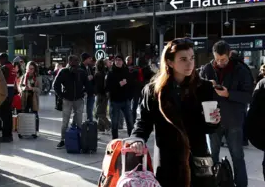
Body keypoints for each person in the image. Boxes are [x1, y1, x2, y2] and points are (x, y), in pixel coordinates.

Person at [130, 38, 221, 187]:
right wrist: (137, 139)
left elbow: (208, 128)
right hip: (167, 160)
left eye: (192, 58)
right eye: (183, 59)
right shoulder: (154, 91)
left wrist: (214, 122)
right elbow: (143, 121)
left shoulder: (203, 87)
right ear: (170, 62)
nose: (190, 63)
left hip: (198, 159)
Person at [199, 40, 253, 187]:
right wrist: (205, 88)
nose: (220, 62)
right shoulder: (206, 69)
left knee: (237, 157)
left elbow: (248, 96)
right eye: (217, 59)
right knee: (211, 158)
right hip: (211, 121)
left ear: (229, 54)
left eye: (223, 59)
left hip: (233, 121)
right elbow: (197, 94)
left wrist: (229, 94)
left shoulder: (241, 70)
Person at [53, 55, 89, 149]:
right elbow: (55, 84)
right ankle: (63, 140)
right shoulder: (64, 71)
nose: (75, 63)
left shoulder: (81, 72)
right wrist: (62, 95)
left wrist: (85, 92)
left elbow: (88, 84)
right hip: (68, 99)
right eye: (74, 61)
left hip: (78, 99)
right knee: (65, 121)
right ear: (69, 62)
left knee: (79, 121)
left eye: (77, 61)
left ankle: (79, 139)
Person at [105, 55, 134, 139]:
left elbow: (131, 84)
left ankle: (132, 140)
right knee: (115, 123)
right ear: (114, 61)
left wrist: (130, 96)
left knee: (130, 122)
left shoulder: (126, 71)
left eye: (120, 60)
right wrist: (119, 84)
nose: (118, 61)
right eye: (116, 60)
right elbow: (107, 87)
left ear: (122, 61)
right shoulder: (111, 72)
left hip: (126, 100)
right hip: (115, 101)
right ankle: (115, 141)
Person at [0, 53, 17, 142]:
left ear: (3, 59)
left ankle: (6, 136)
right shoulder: (12, 67)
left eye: (0, 61)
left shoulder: (5, 68)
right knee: (8, 115)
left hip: (5, 92)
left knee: (4, 115)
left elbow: (0, 80)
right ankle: (8, 135)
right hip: (11, 91)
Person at [18, 61, 41, 132]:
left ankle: (35, 130)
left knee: (35, 114)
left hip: (34, 98)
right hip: (25, 98)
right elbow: (20, 86)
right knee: (25, 113)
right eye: (28, 68)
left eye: (32, 69)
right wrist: (23, 88)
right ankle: (25, 130)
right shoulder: (23, 76)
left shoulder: (38, 77)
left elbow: (40, 90)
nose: (30, 70)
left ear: (35, 69)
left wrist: (32, 88)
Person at [94, 58, 111, 132]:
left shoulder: (98, 74)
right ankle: (100, 127)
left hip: (100, 95)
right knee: (102, 112)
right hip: (105, 95)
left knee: (98, 113)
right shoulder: (105, 73)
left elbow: (98, 86)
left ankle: (109, 125)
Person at [80, 53, 95, 121]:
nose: (91, 59)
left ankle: (90, 124)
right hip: (83, 92)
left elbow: (93, 79)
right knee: (80, 110)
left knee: (90, 109)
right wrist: (87, 78)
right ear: (85, 59)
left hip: (90, 92)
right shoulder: (80, 67)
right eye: (89, 58)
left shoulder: (90, 67)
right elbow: (79, 80)